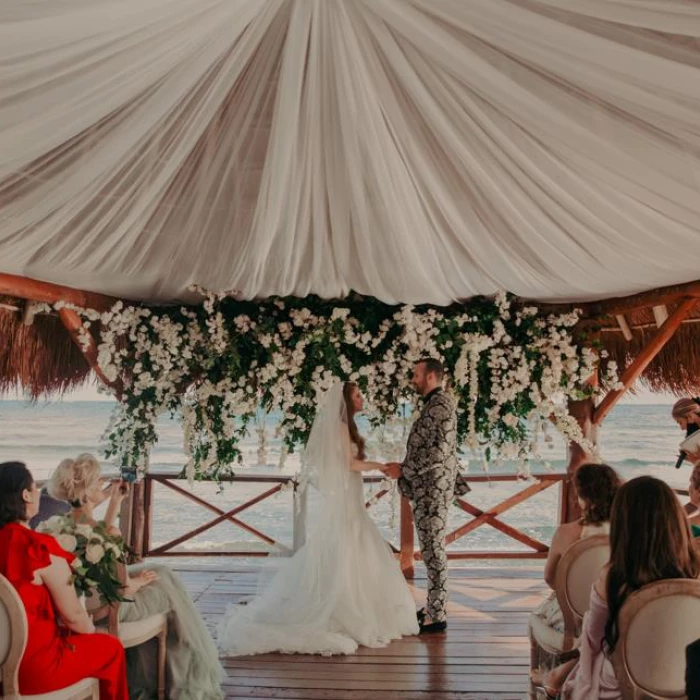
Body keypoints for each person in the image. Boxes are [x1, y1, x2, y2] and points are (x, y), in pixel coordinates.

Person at [217, 381, 419, 656]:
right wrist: (381, 466)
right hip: (348, 497)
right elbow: (348, 465)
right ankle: (345, 605)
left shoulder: (348, 428)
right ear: (346, 402)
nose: (362, 399)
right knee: (347, 546)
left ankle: (360, 602)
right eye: (358, 395)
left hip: (351, 495)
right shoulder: (339, 428)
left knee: (355, 548)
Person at [46, 454, 223, 700]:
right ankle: (184, 681)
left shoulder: (56, 527)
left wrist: (113, 500)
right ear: (86, 493)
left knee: (160, 572)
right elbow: (121, 589)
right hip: (111, 609)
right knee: (170, 589)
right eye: (98, 482)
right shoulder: (105, 534)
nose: (104, 483)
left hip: (81, 604)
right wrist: (139, 583)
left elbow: (96, 543)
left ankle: (149, 679)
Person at [532, 476, 700, 699]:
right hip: (685, 678)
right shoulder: (695, 570)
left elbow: (593, 642)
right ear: (676, 519)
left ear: (624, 522)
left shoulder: (613, 577)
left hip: (623, 684)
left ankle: (554, 680)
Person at [0, 461, 129, 700]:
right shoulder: (38, 549)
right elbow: (74, 618)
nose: (39, 492)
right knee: (110, 648)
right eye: (34, 488)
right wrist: (91, 631)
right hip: (32, 671)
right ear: (26, 495)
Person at [383, 358, 459, 633]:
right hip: (428, 489)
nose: (412, 379)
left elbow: (437, 454)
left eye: (416, 374)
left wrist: (403, 469)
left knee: (434, 551)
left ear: (430, 377)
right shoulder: (435, 405)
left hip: (432, 491)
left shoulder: (440, 406)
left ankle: (437, 615)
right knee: (430, 550)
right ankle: (432, 607)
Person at [530, 463, 621, 634]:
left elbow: (550, 579)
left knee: (540, 614)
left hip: (574, 617)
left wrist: (572, 593)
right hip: (615, 616)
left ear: (582, 496)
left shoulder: (565, 533)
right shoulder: (626, 530)